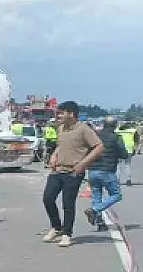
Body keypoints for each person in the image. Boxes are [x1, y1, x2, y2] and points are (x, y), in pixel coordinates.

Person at [42, 101, 104, 248]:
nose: (58, 116)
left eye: (61, 113)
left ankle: (66, 233)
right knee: (48, 199)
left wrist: (83, 164)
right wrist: (54, 156)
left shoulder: (83, 129)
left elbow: (99, 147)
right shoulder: (61, 128)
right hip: (57, 170)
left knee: (68, 204)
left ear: (71, 114)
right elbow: (61, 145)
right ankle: (56, 227)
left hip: (73, 171)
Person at [84, 116, 130, 232]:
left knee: (97, 195)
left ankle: (100, 222)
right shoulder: (116, 138)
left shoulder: (95, 136)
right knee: (116, 195)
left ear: (103, 124)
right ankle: (94, 210)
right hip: (107, 170)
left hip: (93, 170)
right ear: (115, 125)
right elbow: (124, 154)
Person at [115, 121, 136, 186]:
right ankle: (128, 180)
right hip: (129, 149)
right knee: (127, 165)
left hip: (119, 149)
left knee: (118, 165)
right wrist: (134, 149)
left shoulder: (117, 131)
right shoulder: (133, 131)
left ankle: (117, 180)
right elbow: (136, 140)